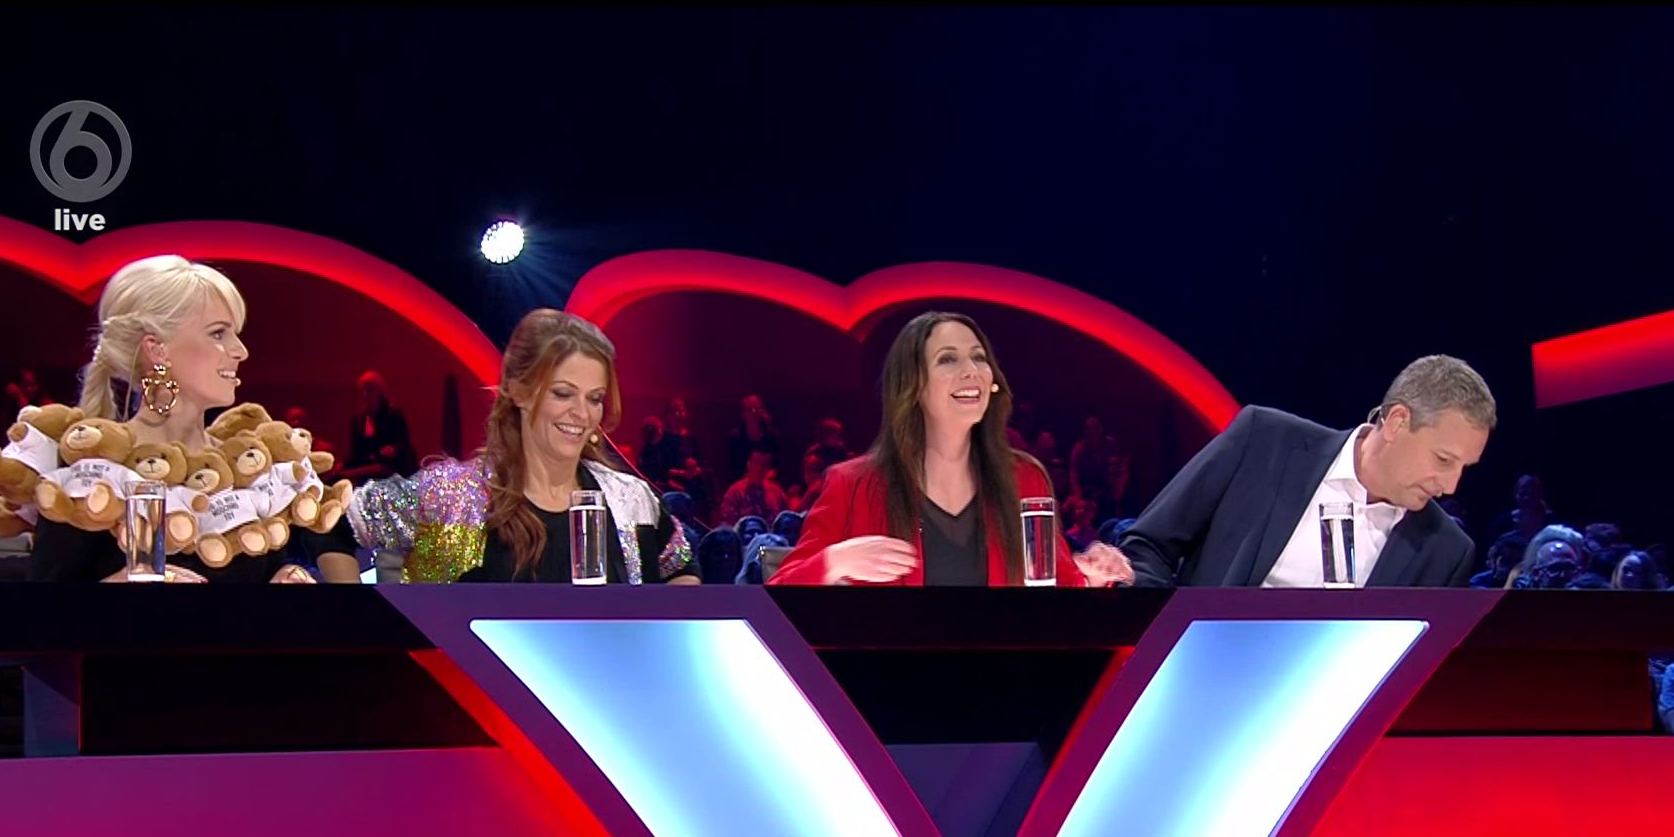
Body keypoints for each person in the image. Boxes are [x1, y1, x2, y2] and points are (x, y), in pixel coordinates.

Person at [27, 255, 357, 583]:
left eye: (235, 333)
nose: (241, 351)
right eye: (218, 334)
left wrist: (286, 577)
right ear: (158, 350)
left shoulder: (249, 466)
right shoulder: (91, 473)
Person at [770, 311, 1130, 587]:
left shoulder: (1025, 480)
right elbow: (779, 597)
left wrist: (1094, 575)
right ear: (913, 384)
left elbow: (1059, 590)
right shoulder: (851, 484)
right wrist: (834, 562)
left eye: (978, 357)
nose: (971, 370)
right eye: (947, 359)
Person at [345, 309, 700, 585]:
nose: (582, 414)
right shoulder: (453, 494)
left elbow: (681, 566)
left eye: (594, 398)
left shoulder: (630, 500)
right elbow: (337, 527)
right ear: (518, 391)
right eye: (563, 393)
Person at [1119, 354, 1494, 588]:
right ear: (1397, 422)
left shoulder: (1446, 552)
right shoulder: (1263, 442)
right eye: (1443, 460)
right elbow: (1148, 547)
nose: (1450, 486)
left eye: (1464, 468)